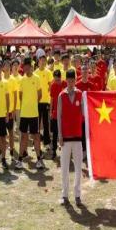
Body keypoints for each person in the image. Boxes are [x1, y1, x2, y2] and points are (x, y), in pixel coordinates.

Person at [58, 69, 84, 206]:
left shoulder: (80, 94)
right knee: (64, 168)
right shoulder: (61, 95)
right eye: (69, 81)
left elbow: (84, 113)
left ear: (75, 80)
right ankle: (65, 195)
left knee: (78, 167)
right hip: (66, 137)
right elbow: (59, 116)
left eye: (73, 81)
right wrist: (60, 135)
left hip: (78, 136)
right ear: (66, 81)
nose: (71, 83)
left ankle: (77, 195)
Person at [17, 58, 44, 170]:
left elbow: (40, 94)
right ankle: (19, 160)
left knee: (36, 137)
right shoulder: (22, 80)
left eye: (27, 66)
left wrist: (33, 104)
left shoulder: (36, 78)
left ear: (30, 67)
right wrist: (26, 105)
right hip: (24, 113)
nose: (26, 68)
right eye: (24, 66)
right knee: (23, 137)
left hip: (34, 113)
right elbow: (20, 95)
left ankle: (39, 159)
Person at [34, 54, 53, 150]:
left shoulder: (48, 72)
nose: (42, 62)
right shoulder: (35, 72)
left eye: (44, 60)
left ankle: (47, 142)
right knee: (37, 123)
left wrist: (48, 94)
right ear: (38, 62)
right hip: (37, 101)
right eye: (41, 60)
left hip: (46, 101)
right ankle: (36, 143)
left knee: (46, 123)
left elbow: (50, 85)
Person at [49, 70, 66, 160]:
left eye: (58, 80)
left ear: (60, 77)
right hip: (55, 113)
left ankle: (65, 151)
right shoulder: (53, 85)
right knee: (55, 133)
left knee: (64, 133)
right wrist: (50, 111)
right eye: (55, 80)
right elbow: (51, 99)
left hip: (64, 113)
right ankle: (54, 151)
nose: (57, 81)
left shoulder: (65, 84)